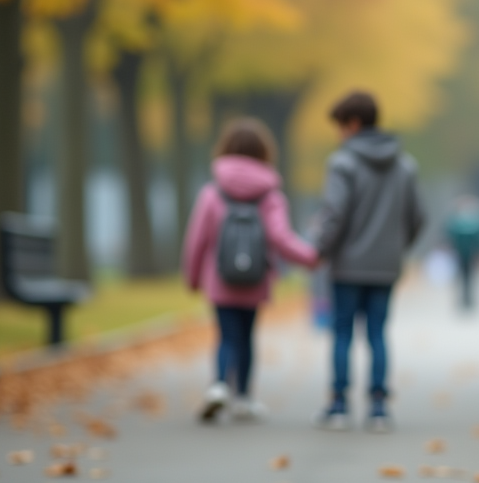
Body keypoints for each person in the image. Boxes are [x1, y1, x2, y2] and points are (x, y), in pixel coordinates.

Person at [182, 117, 318, 423]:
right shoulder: (271, 196)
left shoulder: (212, 193)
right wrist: (311, 258)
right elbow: (281, 238)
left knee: (226, 335)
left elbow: (197, 240)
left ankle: (219, 385)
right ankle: (243, 398)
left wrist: (192, 277)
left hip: (220, 278)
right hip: (255, 278)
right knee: (247, 336)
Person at [311, 91, 425, 432]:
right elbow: (418, 217)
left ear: (353, 123)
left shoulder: (342, 163)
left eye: (340, 126)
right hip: (385, 266)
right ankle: (378, 407)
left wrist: (319, 250)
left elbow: (334, 214)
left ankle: (338, 404)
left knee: (342, 332)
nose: (338, 134)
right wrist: (396, 247)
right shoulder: (405, 165)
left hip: (347, 265)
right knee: (377, 333)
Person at [445, 194, 479, 310]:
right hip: (469, 254)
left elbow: (450, 237)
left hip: (460, 254)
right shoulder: (475, 221)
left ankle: (464, 298)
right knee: (469, 276)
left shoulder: (456, 222)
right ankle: (468, 298)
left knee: (462, 276)